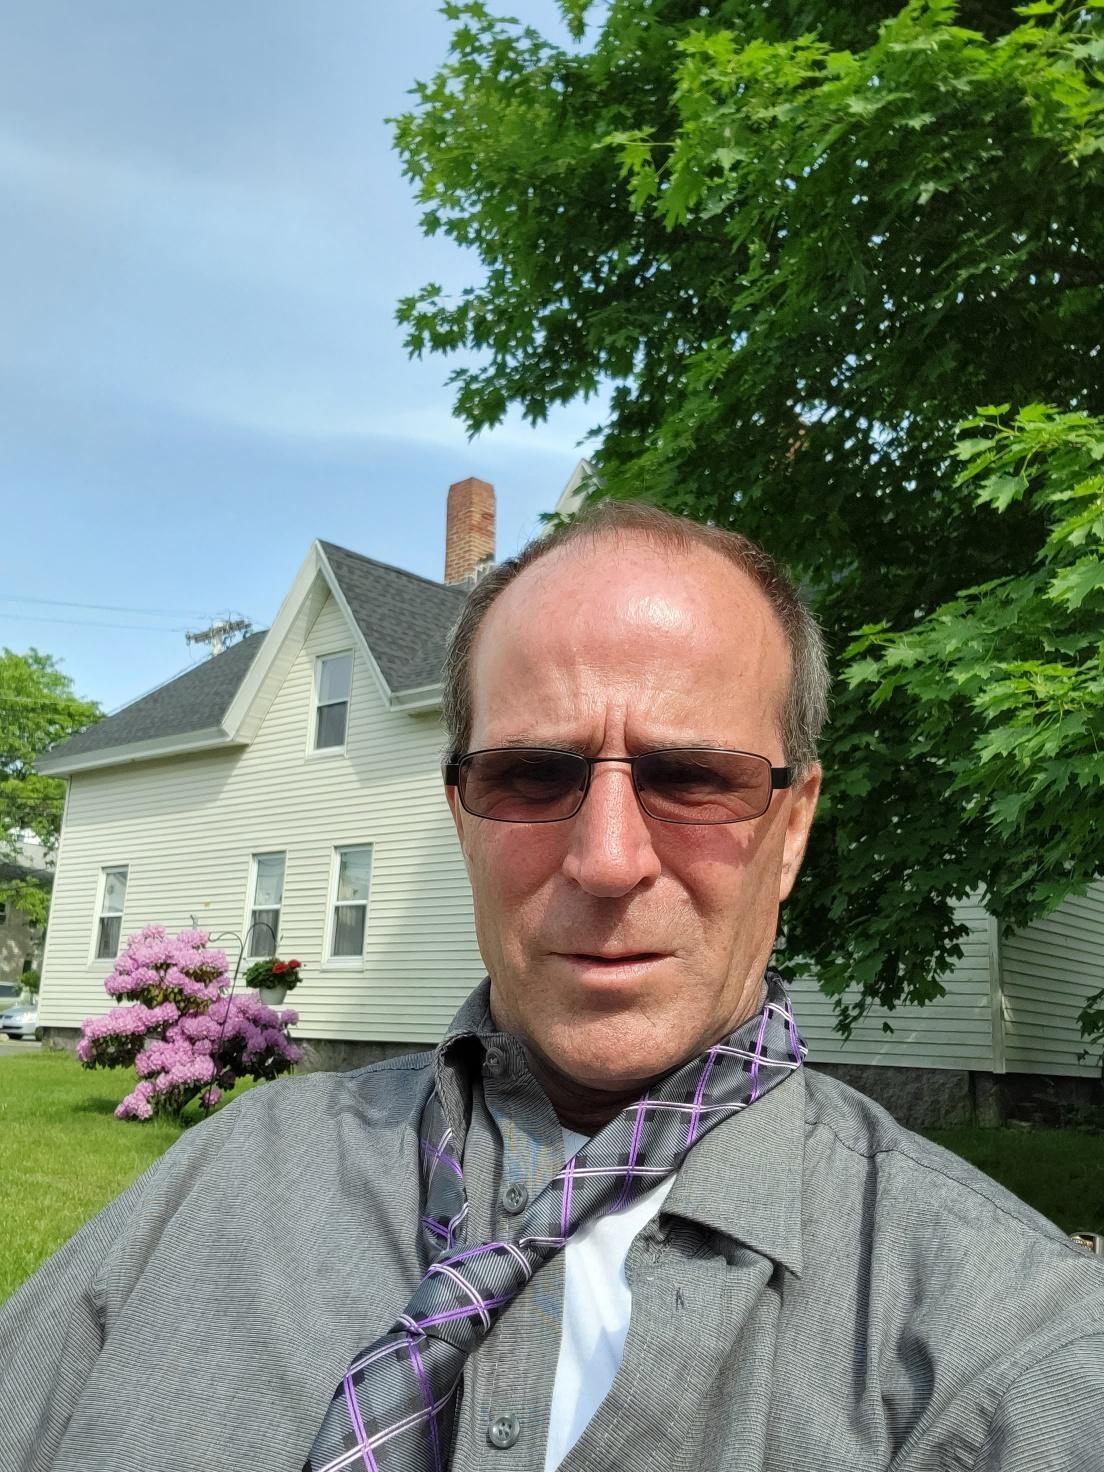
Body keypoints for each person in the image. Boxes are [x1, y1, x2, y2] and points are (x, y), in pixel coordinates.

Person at [1, 501, 1102, 1472]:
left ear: (793, 827)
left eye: (692, 776)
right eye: (531, 775)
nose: (608, 859)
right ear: (461, 817)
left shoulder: (1008, 1345)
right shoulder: (220, 1184)